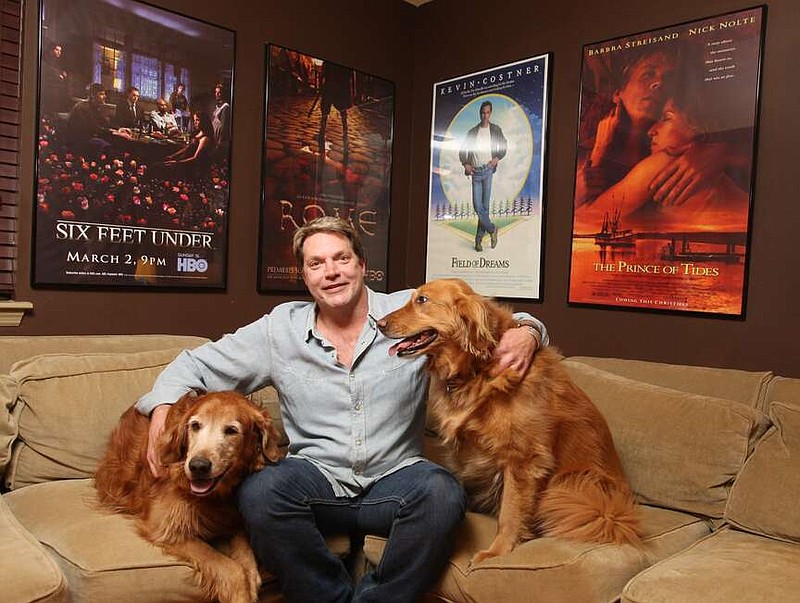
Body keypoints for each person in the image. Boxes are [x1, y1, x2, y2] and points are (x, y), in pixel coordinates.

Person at [135, 217, 548, 603]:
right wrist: (161, 410)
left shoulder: (409, 311)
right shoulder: (279, 330)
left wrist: (529, 332)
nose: (330, 271)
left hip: (396, 476)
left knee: (443, 494)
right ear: (305, 276)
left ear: (362, 264)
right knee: (260, 493)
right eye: (316, 263)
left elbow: (479, 313)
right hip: (316, 478)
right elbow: (193, 366)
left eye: (341, 258)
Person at [575, 92, 750, 232]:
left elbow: (586, 220)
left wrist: (599, 148)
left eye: (666, 118)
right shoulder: (722, 176)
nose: (652, 130)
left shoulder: (666, 161)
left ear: (699, 130)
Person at [459, 100, 507, 252]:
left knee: (484, 207)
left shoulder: (496, 130)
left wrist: (497, 158)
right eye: (482, 113)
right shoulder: (473, 132)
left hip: (488, 170)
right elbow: (462, 150)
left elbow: (504, 145)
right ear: (479, 114)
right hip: (476, 172)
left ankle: (478, 241)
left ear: (490, 113)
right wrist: (465, 163)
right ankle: (492, 229)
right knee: (477, 206)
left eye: (487, 113)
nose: (485, 115)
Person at [64, 83, 111, 156]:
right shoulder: (83, 107)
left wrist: (119, 129)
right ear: (93, 95)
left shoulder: (95, 107)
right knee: (107, 146)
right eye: (101, 94)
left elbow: (105, 123)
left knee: (115, 140)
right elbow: (93, 128)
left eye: (104, 94)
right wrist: (113, 132)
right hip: (77, 141)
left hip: (88, 137)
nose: (105, 96)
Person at [211, 82, 230, 149]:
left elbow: (224, 126)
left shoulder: (225, 107)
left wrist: (220, 141)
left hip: (219, 138)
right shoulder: (217, 106)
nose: (217, 94)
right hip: (214, 136)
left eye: (219, 93)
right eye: (216, 92)